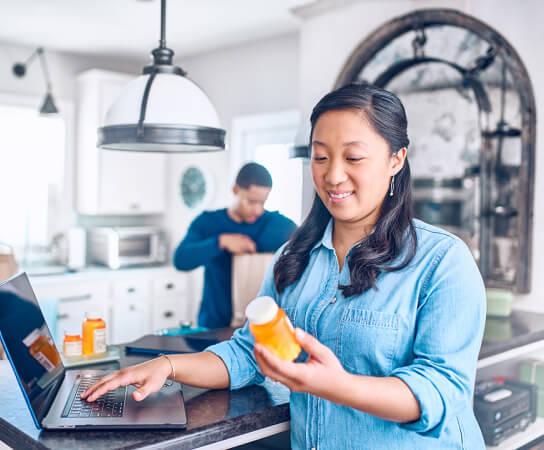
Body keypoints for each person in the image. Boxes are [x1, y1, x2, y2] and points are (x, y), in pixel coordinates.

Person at [82, 83, 486, 449]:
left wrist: (338, 386)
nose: (333, 175)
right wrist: (167, 366)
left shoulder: (442, 261)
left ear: (396, 159)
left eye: (354, 157)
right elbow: (246, 353)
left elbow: (442, 392)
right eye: (320, 157)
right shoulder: (295, 256)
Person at [173, 162, 297, 328]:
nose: (257, 210)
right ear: (235, 190)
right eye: (251, 202)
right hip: (214, 325)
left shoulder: (281, 226)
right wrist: (220, 242)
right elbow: (181, 260)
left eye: (262, 202)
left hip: (261, 326)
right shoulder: (208, 222)